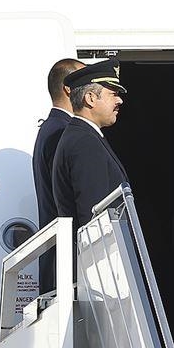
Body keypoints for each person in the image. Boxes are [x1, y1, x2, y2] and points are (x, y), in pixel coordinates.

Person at [52, 58, 129, 236]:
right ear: (90, 98)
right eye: (113, 94)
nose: (119, 100)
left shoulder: (83, 136)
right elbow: (93, 218)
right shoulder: (84, 143)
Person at [32, 58, 84, 294]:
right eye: (86, 81)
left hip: (58, 258)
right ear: (69, 89)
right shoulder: (61, 131)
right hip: (64, 261)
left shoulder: (53, 127)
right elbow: (66, 197)